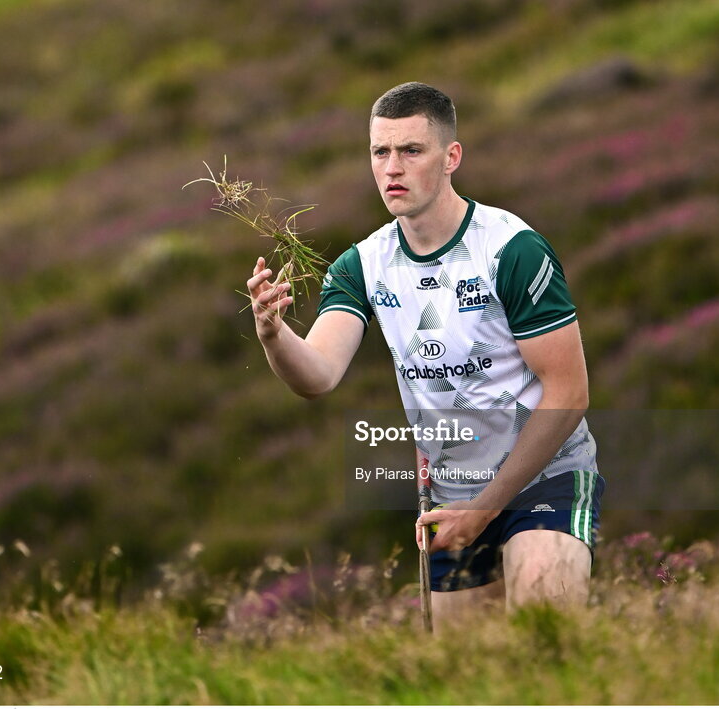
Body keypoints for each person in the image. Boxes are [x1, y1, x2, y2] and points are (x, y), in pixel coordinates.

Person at [246, 82, 604, 629]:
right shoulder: (361, 265)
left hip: (544, 477)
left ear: (451, 156)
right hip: (450, 492)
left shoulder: (512, 249)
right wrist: (274, 335)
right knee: (466, 678)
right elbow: (317, 375)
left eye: (411, 151)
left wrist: (485, 509)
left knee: (543, 639)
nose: (393, 168)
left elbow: (570, 393)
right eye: (380, 152)